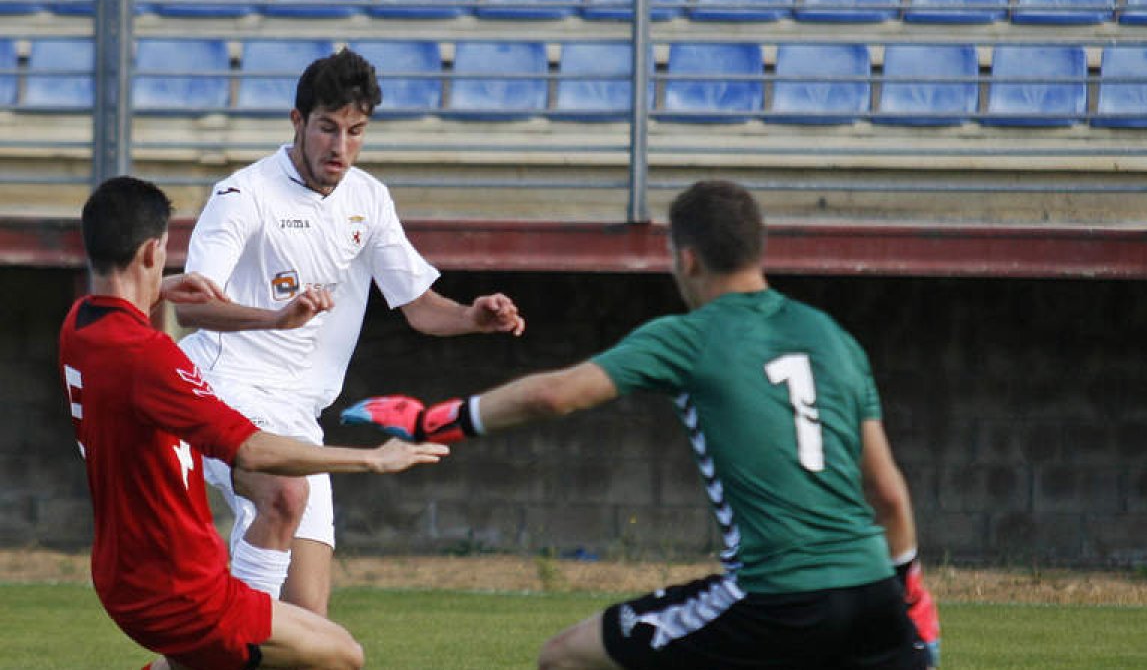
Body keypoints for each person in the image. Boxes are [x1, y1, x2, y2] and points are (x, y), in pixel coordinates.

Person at [343, 180, 942, 669]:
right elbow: (888, 493)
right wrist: (909, 592)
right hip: (875, 592)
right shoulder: (831, 337)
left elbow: (555, 395)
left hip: (776, 594)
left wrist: (435, 421)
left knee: (565, 658)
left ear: (686, 258)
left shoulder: (687, 336)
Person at [173, 48, 525, 616]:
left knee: (308, 619)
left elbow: (417, 306)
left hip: (297, 414)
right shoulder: (242, 195)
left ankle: (218, 646)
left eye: (355, 131)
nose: (340, 147)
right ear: (297, 122)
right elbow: (192, 306)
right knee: (284, 496)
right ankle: (227, 643)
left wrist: (471, 317)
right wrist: (273, 319)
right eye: (327, 128)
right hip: (223, 387)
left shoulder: (369, 198)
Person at [58, 176, 450, 670]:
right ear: (153, 252)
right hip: (181, 592)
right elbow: (253, 449)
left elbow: (124, 309)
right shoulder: (150, 360)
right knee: (341, 655)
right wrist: (372, 458)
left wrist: (165, 288)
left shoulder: (79, 325)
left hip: (127, 574)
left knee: (281, 502)